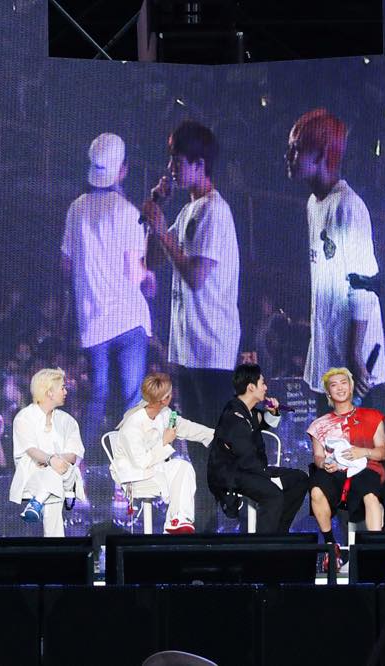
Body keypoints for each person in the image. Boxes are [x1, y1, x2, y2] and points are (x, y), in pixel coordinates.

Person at [142, 120, 241, 531]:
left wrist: (161, 229)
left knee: (213, 441)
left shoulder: (215, 212)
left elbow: (197, 276)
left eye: (178, 161)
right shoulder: (187, 211)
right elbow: (153, 260)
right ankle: (204, 522)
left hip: (212, 348)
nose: (171, 168)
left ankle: (223, 521)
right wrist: (155, 217)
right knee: (196, 442)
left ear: (200, 164)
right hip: (187, 347)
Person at [285, 109, 385, 410]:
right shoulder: (313, 204)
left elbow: (363, 286)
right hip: (328, 352)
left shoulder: (349, 207)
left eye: (296, 149)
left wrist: (355, 353)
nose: (289, 157)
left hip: (352, 359)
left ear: (321, 154)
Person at [62, 132, 152, 449]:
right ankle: (129, 467)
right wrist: (149, 276)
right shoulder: (128, 212)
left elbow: (66, 265)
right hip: (128, 318)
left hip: (93, 320)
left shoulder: (76, 210)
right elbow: (135, 273)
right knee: (131, 399)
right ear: (123, 170)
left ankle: (80, 465)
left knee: (97, 395)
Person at [207, 363, 308, 533]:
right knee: (273, 495)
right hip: (232, 474)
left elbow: (263, 422)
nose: (266, 388)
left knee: (300, 479)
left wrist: (273, 412)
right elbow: (246, 458)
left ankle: (279, 534)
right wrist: (269, 478)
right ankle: (264, 543)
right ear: (251, 387)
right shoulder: (234, 416)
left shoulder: (249, 411)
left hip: (250, 469)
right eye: (263, 383)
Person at [112, 372, 215, 534]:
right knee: (176, 473)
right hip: (134, 475)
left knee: (183, 466)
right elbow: (141, 462)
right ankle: (175, 521)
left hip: (154, 469)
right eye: (170, 394)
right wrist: (164, 442)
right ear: (164, 399)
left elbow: (187, 427)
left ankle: (177, 521)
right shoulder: (132, 425)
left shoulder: (164, 413)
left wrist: (216, 435)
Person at [306, 368, 385, 555]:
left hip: (365, 467)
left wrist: (363, 452)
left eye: (344, 383)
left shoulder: (372, 417)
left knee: (370, 495)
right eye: (334, 385)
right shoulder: (319, 425)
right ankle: (330, 546)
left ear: (351, 387)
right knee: (316, 491)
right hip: (334, 471)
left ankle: (376, 550)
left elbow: (382, 452)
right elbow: (318, 456)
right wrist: (324, 464)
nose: (340, 388)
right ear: (328, 392)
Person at [9, 368, 85, 537]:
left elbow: (73, 455)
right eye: (62, 388)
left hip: (65, 473)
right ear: (49, 392)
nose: (66, 392)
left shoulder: (67, 421)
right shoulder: (24, 417)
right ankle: (56, 545)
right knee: (54, 494)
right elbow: (30, 450)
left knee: (57, 469)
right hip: (32, 473)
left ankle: (37, 502)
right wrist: (50, 460)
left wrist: (52, 460)